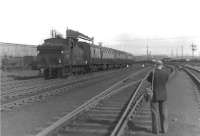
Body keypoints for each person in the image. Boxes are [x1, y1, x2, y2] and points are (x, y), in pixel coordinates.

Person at [146, 60, 170, 134]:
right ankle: (164, 129)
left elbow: (148, 80)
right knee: (164, 113)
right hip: (163, 95)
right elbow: (166, 80)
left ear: (156, 65)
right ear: (162, 65)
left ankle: (155, 131)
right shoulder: (166, 73)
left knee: (154, 113)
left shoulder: (153, 73)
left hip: (154, 95)